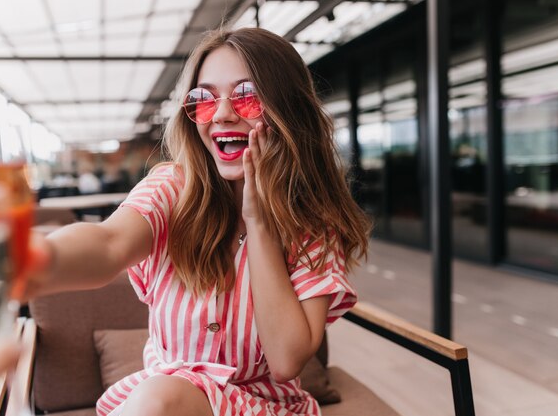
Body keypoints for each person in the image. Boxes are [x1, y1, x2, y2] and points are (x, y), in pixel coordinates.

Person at [24, 27, 371, 416]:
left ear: (288, 110)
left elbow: (287, 360)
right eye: (204, 99)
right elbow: (107, 245)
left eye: (247, 96)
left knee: (161, 398)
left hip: (263, 409)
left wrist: (259, 224)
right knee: (163, 396)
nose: (222, 114)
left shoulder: (313, 227)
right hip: (169, 403)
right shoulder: (172, 188)